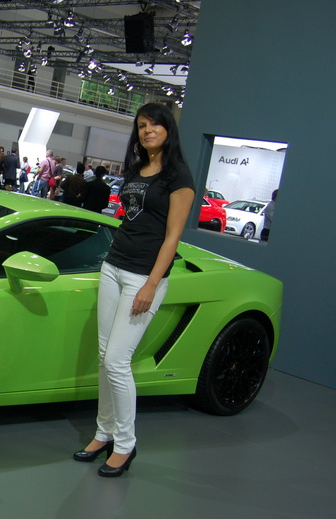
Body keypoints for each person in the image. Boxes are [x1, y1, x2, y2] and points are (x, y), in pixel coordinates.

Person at [73, 102, 194, 477]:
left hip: (144, 277)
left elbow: (173, 236)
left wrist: (152, 284)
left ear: (168, 130)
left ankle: (125, 444)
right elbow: (129, 218)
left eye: (155, 124)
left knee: (117, 361)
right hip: (114, 267)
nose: (147, 130)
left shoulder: (179, 176)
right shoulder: (136, 171)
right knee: (103, 357)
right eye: (141, 125)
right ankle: (103, 432)